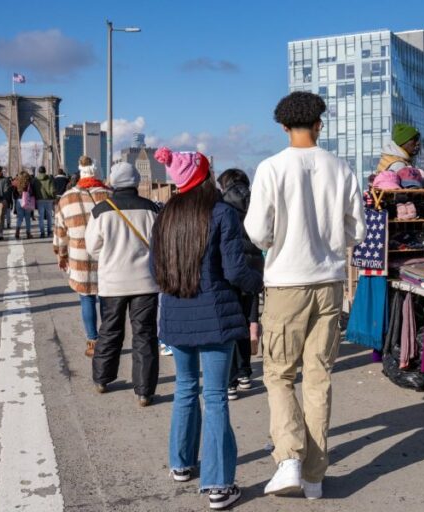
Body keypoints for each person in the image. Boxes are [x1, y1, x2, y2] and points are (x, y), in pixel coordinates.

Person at [244, 91, 366, 499]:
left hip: (286, 283)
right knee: (319, 378)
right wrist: (332, 240)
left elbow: (258, 232)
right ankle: (314, 475)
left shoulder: (271, 168)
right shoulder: (342, 168)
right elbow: (358, 231)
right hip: (330, 282)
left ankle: (290, 457)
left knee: (279, 375)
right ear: (320, 123)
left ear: (282, 126)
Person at [153, 147, 262, 510]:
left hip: (175, 313)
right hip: (216, 317)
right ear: (203, 176)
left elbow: (156, 268)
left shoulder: (165, 215)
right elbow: (235, 271)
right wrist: (257, 282)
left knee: (185, 388)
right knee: (215, 397)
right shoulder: (221, 214)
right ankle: (218, 484)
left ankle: (181, 463)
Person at [85, 161, 160, 404]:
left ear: (112, 182)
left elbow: (91, 248)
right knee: (145, 334)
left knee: (110, 329)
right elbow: (159, 245)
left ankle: (102, 379)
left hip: (113, 283)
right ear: (136, 181)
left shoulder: (101, 210)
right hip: (146, 283)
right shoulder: (152, 209)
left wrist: (109, 258)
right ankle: (144, 391)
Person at [53, 156, 110, 357]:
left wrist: (62, 255)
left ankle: (92, 341)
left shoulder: (66, 197)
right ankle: (107, 338)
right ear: (96, 172)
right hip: (106, 256)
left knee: (86, 298)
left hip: (80, 257)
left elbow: (59, 232)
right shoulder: (110, 195)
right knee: (106, 299)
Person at [216, 168, 264, 401]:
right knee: (247, 318)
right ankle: (245, 372)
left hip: (231, 266)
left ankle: (231, 381)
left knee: (231, 321)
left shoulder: (222, 204)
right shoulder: (257, 200)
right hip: (255, 265)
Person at [13, 170, 36, 239]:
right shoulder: (29, 183)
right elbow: (32, 192)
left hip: (19, 201)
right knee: (27, 218)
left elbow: (14, 193)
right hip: (27, 201)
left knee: (19, 218)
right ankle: (28, 233)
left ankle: (17, 232)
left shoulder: (17, 183)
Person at [34, 166, 56, 238]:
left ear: (39, 172)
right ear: (45, 171)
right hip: (48, 200)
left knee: (41, 217)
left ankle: (42, 232)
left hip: (39, 200)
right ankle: (49, 231)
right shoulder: (49, 179)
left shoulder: (36, 180)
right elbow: (52, 190)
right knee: (49, 216)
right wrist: (54, 197)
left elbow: (33, 189)